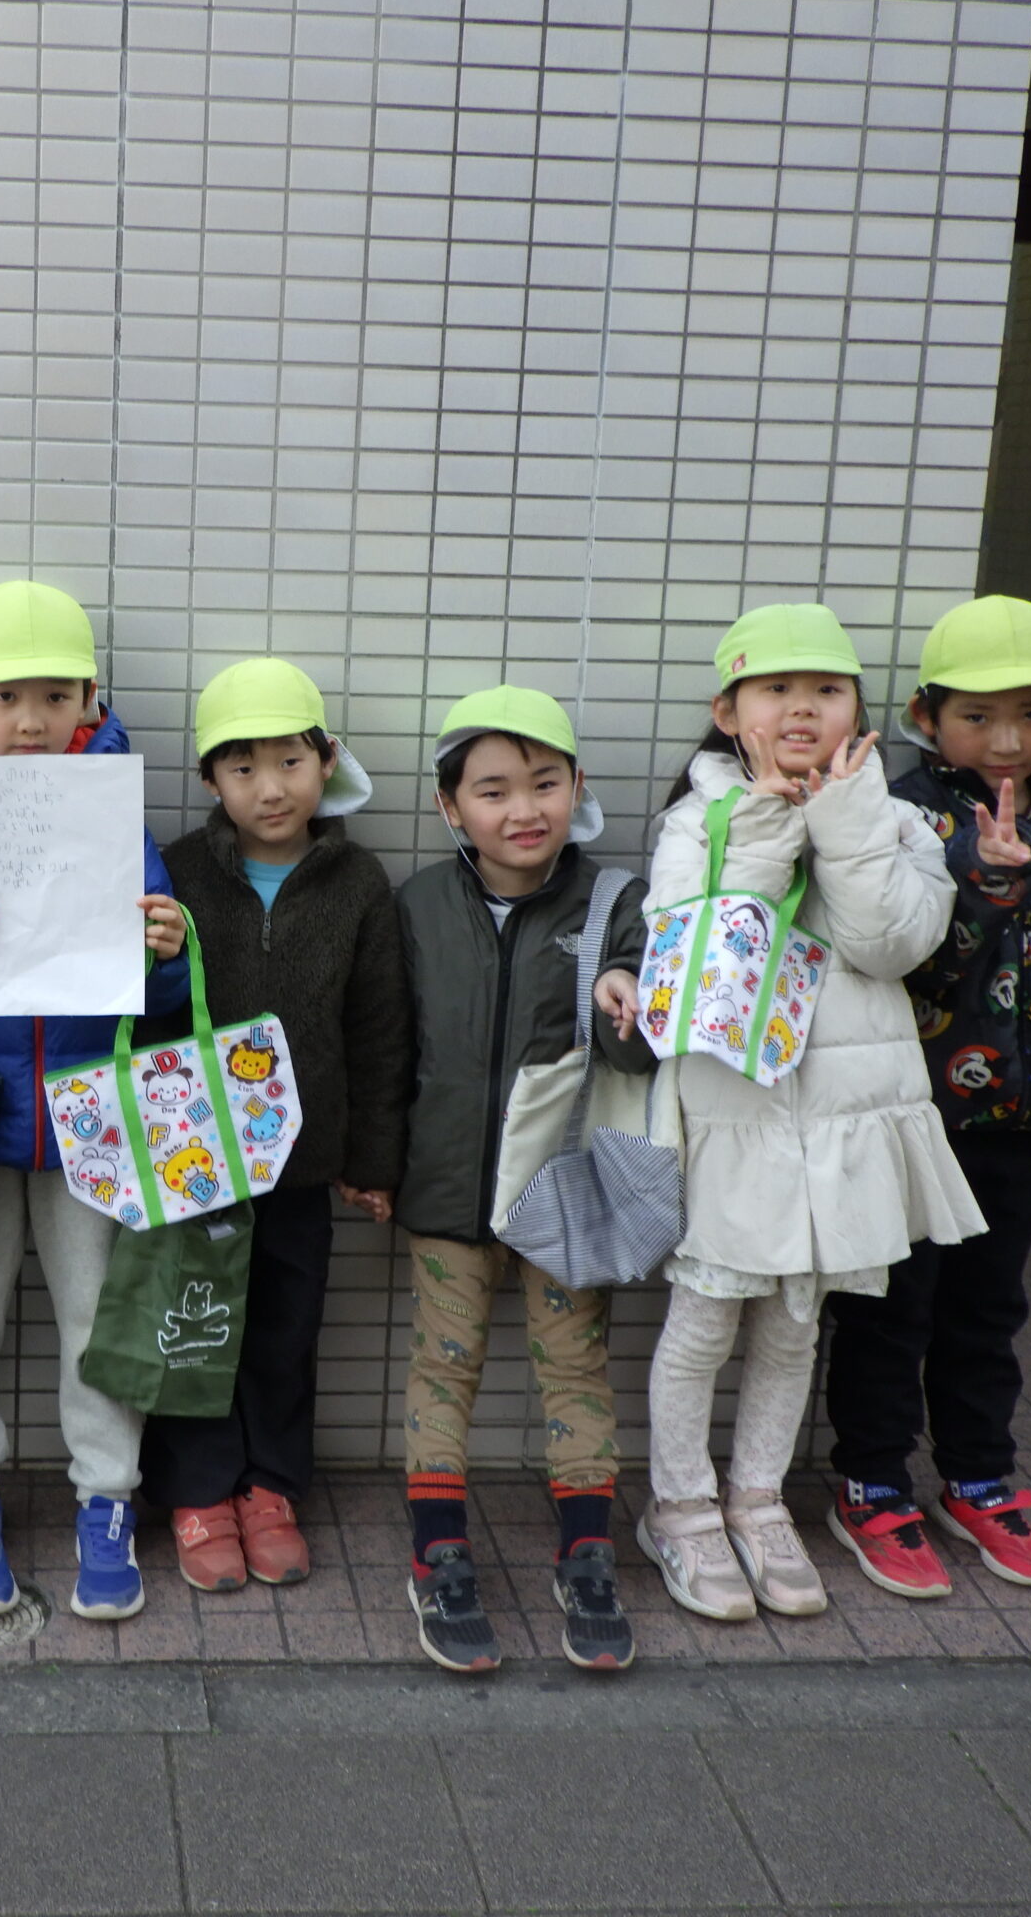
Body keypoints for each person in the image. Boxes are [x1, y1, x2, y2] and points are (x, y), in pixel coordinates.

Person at [638, 604, 985, 1627]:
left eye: (826, 691)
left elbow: (891, 943)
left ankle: (758, 1503)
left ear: (858, 712)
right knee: (703, 1321)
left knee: (795, 1325)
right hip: (731, 1116)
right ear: (727, 712)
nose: (802, 709)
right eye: (776, 690)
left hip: (842, 1122)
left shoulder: (897, 819)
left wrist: (843, 821)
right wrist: (762, 824)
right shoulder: (696, 820)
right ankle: (680, 1509)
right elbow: (703, 952)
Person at [825, 596, 1031, 1596]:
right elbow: (885, 952)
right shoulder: (896, 814)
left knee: (987, 1308)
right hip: (907, 1114)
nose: (1007, 741)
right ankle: (871, 1484)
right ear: (926, 717)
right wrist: (984, 882)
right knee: (890, 1308)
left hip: (1019, 1113)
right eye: (978, 716)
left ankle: (976, 1476)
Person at [0, 579, 189, 1624]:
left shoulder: (117, 819)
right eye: (6, 695)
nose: (30, 719)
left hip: (90, 1113)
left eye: (56, 696)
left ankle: (107, 1501)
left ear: (90, 701)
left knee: (97, 1322)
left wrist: (168, 952)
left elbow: (158, 1001)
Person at [396, 686, 652, 1675]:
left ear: (577, 787)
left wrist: (624, 1003)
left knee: (574, 1366)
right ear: (449, 806)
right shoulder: (419, 905)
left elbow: (642, 1060)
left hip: (565, 1191)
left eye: (544, 783)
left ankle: (587, 1553)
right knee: (443, 1365)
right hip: (445, 1188)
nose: (522, 809)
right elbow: (391, 1048)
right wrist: (377, 1166)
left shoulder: (617, 903)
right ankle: (438, 1553)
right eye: (493, 790)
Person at [142, 659, 411, 1593]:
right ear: (209, 779)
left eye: (290, 762)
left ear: (326, 762)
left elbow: (380, 1029)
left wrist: (372, 1157)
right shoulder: (177, 870)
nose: (270, 787)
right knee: (193, 1326)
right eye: (243, 766)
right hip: (194, 1160)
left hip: (301, 1160)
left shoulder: (358, 882)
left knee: (285, 1331)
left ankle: (269, 1487)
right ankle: (198, 1490)